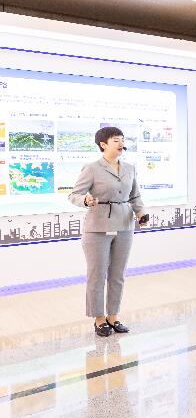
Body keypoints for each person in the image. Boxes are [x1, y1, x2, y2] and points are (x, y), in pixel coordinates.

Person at [69, 126, 147, 337]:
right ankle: (99, 319)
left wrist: (141, 213)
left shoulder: (130, 168)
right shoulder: (92, 168)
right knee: (97, 275)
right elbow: (74, 195)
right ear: (103, 144)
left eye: (122, 139)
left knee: (118, 274)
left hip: (124, 225)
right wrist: (85, 200)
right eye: (116, 140)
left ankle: (113, 316)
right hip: (97, 227)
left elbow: (135, 196)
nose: (121, 143)